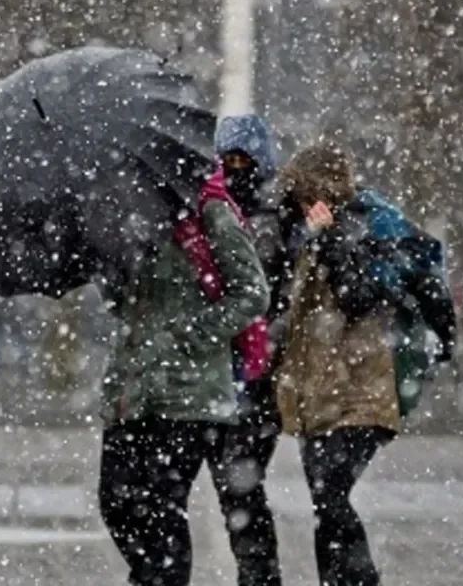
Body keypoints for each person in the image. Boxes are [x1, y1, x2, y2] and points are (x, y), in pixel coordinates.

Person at [270, 141, 455, 586]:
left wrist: (332, 241)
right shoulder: (297, 230)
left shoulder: (369, 226)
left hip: (365, 388)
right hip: (316, 390)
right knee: (323, 501)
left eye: (303, 196)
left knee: (331, 495)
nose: (299, 207)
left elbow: (360, 298)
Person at [98, 161, 271, 586]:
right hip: (132, 390)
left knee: (160, 512)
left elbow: (252, 292)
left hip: (189, 394)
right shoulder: (128, 214)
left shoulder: (209, 212)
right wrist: (113, 272)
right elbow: (127, 304)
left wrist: (192, 336)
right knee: (115, 501)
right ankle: (152, 578)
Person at [210, 114, 283, 586]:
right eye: (227, 160)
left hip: (255, 377)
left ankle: (259, 578)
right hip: (220, 374)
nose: (236, 169)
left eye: (244, 160)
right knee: (236, 492)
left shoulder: (276, 218)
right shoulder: (210, 213)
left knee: (241, 492)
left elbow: (273, 294)